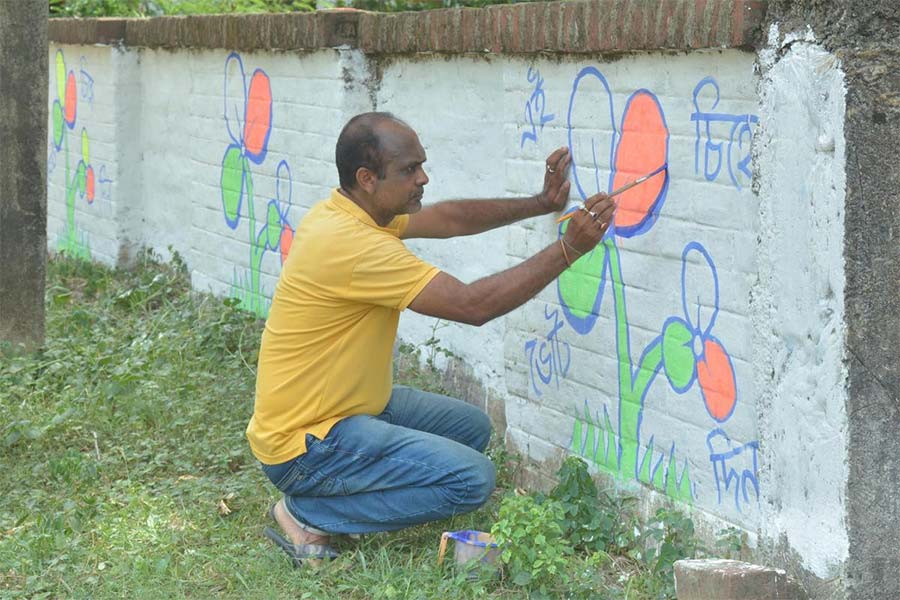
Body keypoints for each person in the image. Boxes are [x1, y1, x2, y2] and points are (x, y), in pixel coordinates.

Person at [247, 112, 614, 565]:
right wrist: (568, 249)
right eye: (408, 170)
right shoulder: (352, 244)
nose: (423, 178)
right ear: (367, 178)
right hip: (306, 444)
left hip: (347, 408)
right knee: (471, 480)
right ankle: (308, 512)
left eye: (421, 165)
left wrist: (540, 202)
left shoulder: (352, 211)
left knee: (472, 430)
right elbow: (472, 306)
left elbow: (450, 218)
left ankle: (335, 493)